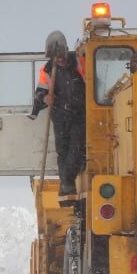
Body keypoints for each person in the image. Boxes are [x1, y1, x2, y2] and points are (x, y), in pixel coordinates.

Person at [31, 47, 87, 197]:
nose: (60, 59)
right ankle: (67, 185)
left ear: (66, 51)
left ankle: (67, 179)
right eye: (56, 57)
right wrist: (45, 98)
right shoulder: (47, 69)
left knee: (77, 147)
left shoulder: (79, 62)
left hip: (79, 113)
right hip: (59, 115)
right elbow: (40, 92)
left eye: (61, 56)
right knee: (62, 151)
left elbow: (92, 80)